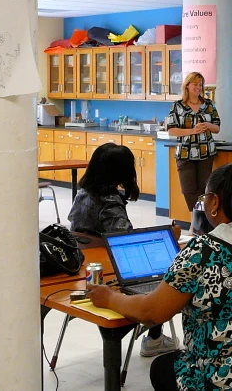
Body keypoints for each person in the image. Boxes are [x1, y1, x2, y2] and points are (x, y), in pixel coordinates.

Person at [87, 162, 232, 391]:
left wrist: (109, 298)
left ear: (214, 202)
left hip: (226, 380)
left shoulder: (204, 252)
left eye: (205, 197)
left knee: (161, 367)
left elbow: (151, 312)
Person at [68, 143, 179, 357]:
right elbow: (126, 243)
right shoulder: (110, 203)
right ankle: (154, 339)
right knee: (157, 275)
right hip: (111, 272)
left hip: (87, 264)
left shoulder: (82, 193)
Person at [166, 71, 221, 234]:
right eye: (195, 84)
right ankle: (194, 221)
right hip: (185, 153)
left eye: (200, 84)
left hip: (206, 152)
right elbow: (171, 130)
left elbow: (217, 127)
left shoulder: (209, 105)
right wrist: (192, 131)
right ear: (187, 86)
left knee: (205, 189)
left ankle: (203, 223)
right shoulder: (177, 106)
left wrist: (207, 125)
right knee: (188, 189)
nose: (198, 87)